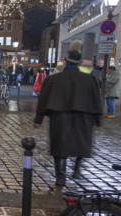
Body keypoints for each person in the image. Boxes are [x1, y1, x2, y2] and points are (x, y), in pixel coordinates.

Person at [33, 40, 102, 186]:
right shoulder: (90, 80)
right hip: (83, 116)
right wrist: (98, 120)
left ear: (65, 61)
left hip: (60, 115)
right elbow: (96, 99)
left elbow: (44, 98)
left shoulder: (53, 79)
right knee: (82, 142)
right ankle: (76, 169)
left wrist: (38, 118)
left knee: (60, 145)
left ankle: (61, 176)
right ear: (79, 62)